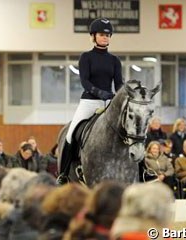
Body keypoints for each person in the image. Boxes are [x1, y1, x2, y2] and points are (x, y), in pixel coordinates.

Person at [58, 18, 123, 184]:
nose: (105, 38)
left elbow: (119, 84)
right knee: (71, 134)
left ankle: (143, 170)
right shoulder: (86, 57)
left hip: (109, 104)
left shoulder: (114, 60)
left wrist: (121, 96)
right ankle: (63, 173)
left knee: (129, 133)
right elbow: (85, 82)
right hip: (89, 102)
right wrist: (99, 92)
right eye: (102, 35)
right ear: (93, 36)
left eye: (108, 35)